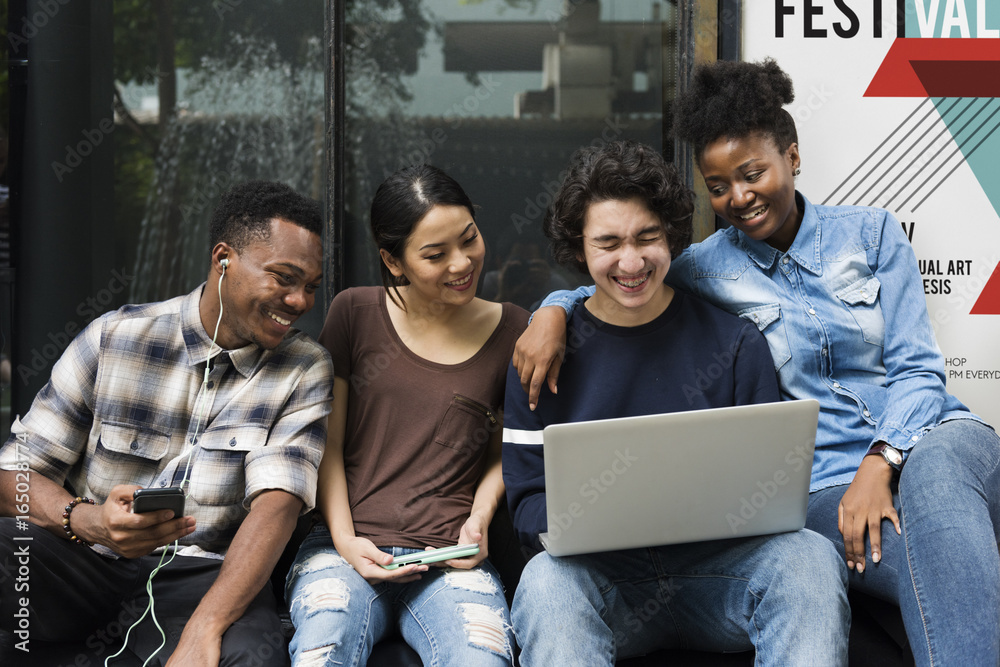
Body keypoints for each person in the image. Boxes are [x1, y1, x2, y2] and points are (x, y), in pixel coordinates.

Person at [516, 59, 1000, 666]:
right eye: (718, 187)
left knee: (938, 478)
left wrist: (882, 460)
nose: (738, 198)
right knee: (932, 559)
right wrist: (552, 309)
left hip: (930, 437)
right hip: (826, 486)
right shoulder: (702, 268)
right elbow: (624, 280)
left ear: (792, 156)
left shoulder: (873, 235)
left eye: (753, 174)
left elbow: (920, 373)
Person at [502, 140, 849, 666]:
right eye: (608, 243)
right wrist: (595, 518)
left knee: (809, 558)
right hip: (608, 586)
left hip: (721, 580)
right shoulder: (540, 354)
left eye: (648, 237)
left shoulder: (734, 344)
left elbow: (773, 490)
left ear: (672, 236)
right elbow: (526, 501)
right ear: (580, 249)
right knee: (546, 584)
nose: (631, 261)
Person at [0, 180, 333, 666]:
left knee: (249, 660)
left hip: (205, 579)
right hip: (85, 559)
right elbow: (13, 477)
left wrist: (206, 627)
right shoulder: (115, 337)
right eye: (284, 277)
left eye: (310, 286)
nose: (300, 300)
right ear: (224, 259)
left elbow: (276, 508)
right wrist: (89, 521)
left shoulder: (305, 368)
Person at [284, 165, 528, 667]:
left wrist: (479, 520)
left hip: (447, 556)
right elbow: (327, 447)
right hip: (340, 548)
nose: (462, 263)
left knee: (482, 657)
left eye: (469, 239)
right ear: (393, 261)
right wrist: (348, 541)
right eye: (436, 255)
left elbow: (506, 451)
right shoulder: (354, 314)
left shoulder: (513, 328)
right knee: (321, 651)